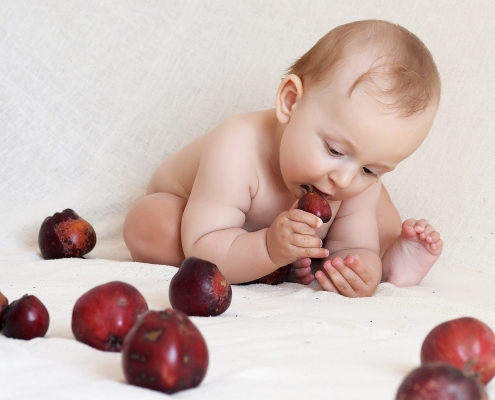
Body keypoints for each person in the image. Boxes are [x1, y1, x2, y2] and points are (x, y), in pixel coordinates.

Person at [123, 19, 443, 297]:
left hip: (281, 240)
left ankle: (393, 263)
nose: (344, 179)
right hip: (198, 221)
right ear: (290, 103)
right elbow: (202, 246)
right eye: (334, 150)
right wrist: (267, 249)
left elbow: (354, 246)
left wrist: (359, 269)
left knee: (376, 205)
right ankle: (264, 262)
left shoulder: (347, 176)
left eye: (371, 169)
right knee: (152, 223)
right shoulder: (236, 147)